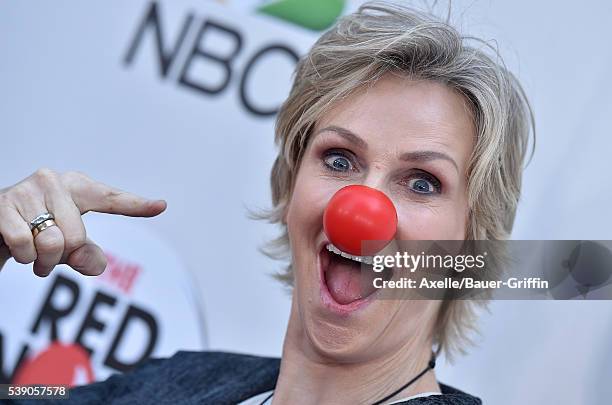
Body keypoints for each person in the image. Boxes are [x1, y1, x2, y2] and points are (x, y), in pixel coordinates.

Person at [0, 2, 534, 404]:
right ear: (290, 185)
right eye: (340, 159)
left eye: (421, 182)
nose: (361, 209)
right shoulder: (177, 384)